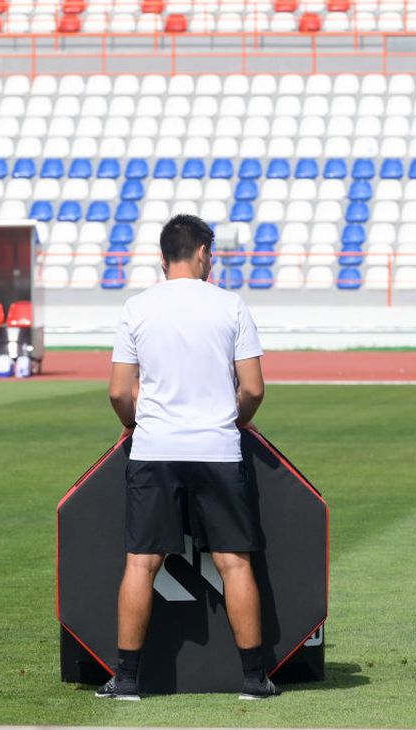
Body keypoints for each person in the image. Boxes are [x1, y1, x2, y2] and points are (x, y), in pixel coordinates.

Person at [102, 214, 275, 701]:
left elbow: (118, 392)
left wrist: (135, 424)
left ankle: (127, 681)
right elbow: (255, 388)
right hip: (217, 449)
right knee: (234, 563)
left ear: (163, 258)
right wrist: (235, 418)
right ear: (202, 253)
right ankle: (253, 679)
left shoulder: (137, 307)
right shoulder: (230, 305)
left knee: (141, 563)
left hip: (155, 447)